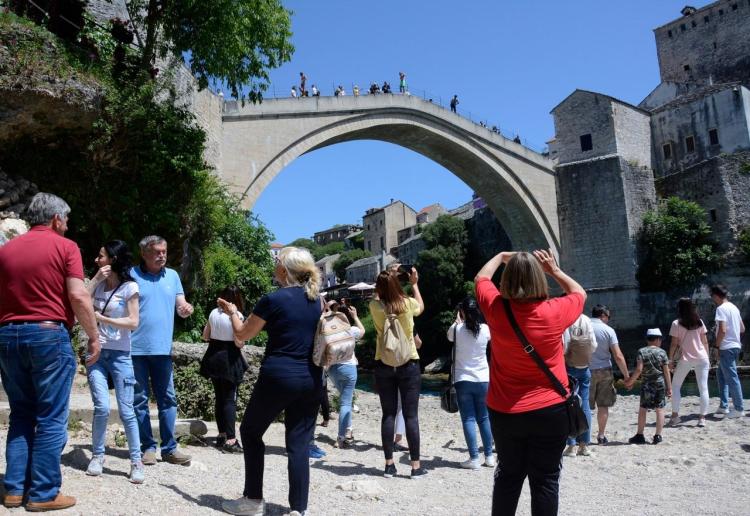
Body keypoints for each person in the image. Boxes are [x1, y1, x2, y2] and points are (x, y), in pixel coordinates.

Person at [0, 193, 99, 511]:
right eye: (67, 220)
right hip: (47, 335)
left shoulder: (7, 250)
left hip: (7, 336)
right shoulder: (65, 247)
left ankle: (14, 490)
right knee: (52, 417)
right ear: (56, 219)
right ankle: (43, 493)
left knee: (21, 413)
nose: (68, 226)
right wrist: (93, 337)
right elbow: (79, 296)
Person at [475, 250, 586, 516]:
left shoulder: (495, 309)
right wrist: (554, 270)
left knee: (508, 476)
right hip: (551, 409)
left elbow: (481, 277)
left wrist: (501, 256)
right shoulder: (554, 311)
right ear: (539, 279)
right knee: (546, 479)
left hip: (505, 410)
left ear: (507, 281)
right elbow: (579, 293)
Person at [220, 247, 323, 516]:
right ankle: (298, 510)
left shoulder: (274, 299)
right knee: (299, 444)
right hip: (311, 378)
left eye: (277, 261)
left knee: (251, 432)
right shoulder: (317, 300)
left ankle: (252, 501)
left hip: (279, 375)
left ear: (284, 270)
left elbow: (243, 334)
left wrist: (232, 312)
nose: (274, 265)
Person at [131, 235, 194, 466]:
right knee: (139, 400)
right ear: (144, 253)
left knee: (168, 399)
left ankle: (170, 448)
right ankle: (147, 447)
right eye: (157, 252)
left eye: (164, 251)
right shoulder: (132, 275)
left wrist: (186, 309)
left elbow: (181, 304)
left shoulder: (173, 276)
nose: (162, 255)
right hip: (135, 349)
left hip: (162, 349)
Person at [85, 240, 144, 483]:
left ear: (113, 259)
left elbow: (133, 322)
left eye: (101, 256)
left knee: (127, 410)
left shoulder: (130, 288)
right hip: (97, 353)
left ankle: (136, 461)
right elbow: (79, 301)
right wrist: (96, 279)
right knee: (100, 407)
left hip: (120, 355)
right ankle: (97, 456)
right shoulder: (97, 285)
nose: (97, 260)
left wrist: (102, 318)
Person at [369, 267, 426, 479]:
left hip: (383, 363)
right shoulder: (408, 304)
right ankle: (415, 467)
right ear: (397, 285)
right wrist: (414, 283)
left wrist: (384, 276)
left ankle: (389, 465)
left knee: (388, 414)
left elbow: (378, 294)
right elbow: (421, 306)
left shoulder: (375, 306)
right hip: (408, 363)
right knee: (411, 416)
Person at [447, 297, 495, 470]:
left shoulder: (456, 329)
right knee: (484, 418)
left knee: (468, 418)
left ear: (463, 312)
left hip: (463, 380)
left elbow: (450, 338)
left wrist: (457, 321)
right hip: (483, 378)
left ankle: (474, 458)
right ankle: (489, 457)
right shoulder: (486, 329)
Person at [200, 287, 248, 454]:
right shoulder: (237, 316)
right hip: (229, 359)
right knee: (229, 400)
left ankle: (221, 435)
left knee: (219, 398)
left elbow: (205, 336)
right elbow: (239, 342)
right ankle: (231, 439)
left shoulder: (213, 313)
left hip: (213, 357)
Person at [588, 304, 630, 444]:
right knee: (603, 405)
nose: (608, 320)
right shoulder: (608, 330)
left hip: (585, 369)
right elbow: (618, 356)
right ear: (603, 315)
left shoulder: (583, 327)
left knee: (583, 405)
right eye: (608, 317)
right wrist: (626, 376)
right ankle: (600, 435)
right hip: (604, 370)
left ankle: (582, 436)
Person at [326, 302, 365, 448]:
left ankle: (348, 430)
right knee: (346, 403)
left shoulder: (328, 329)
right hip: (348, 368)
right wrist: (355, 317)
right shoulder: (351, 330)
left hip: (332, 370)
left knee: (345, 400)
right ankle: (340, 438)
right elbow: (363, 331)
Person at [624, 329, 672, 444]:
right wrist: (669, 387)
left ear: (648, 339)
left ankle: (640, 435)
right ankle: (658, 436)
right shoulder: (662, 352)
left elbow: (639, 369)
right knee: (660, 409)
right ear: (657, 339)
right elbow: (666, 371)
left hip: (646, 384)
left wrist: (631, 382)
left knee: (643, 409)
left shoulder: (642, 351)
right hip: (659, 384)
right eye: (660, 339)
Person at [668, 298, 710, 427]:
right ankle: (702, 418)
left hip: (685, 358)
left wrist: (670, 360)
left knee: (675, 386)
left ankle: (675, 417)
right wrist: (707, 357)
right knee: (703, 387)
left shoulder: (676, 323)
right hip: (702, 357)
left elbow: (674, 344)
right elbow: (705, 341)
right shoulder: (699, 322)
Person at [562, 313, 597, 458]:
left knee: (571, 405)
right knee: (585, 406)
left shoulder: (565, 318)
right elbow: (593, 345)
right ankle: (584, 445)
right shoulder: (586, 319)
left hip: (570, 368)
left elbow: (564, 346)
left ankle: (571, 446)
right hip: (585, 367)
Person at [711, 284, 745, 417]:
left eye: (712, 297)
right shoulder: (734, 308)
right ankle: (723, 405)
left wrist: (717, 346)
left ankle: (739, 408)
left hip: (726, 347)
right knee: (721, 375)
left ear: (716, 296)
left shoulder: (721, 309)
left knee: (731, 377)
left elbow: (723, 330)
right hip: (735, 345)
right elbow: (742, 328)